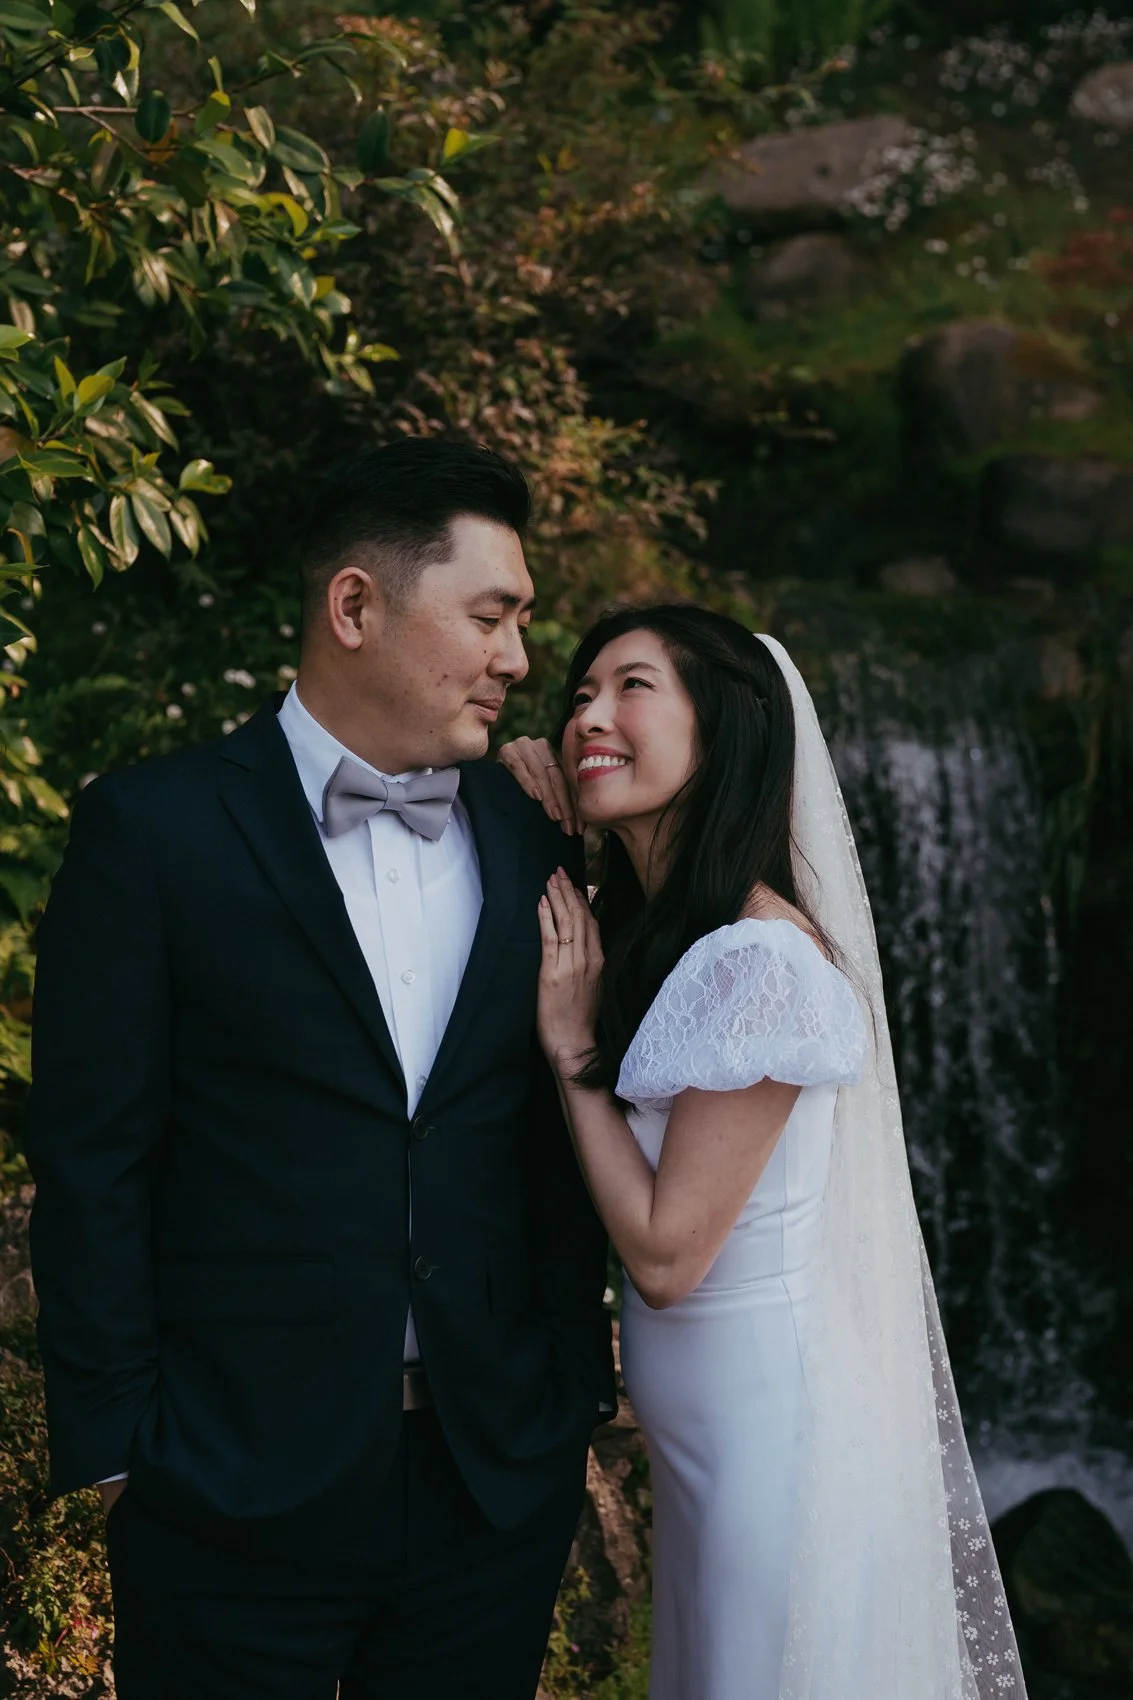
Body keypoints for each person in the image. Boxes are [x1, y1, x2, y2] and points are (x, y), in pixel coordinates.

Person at [25, 438, 615, 1700]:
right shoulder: (154, 830)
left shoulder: (537, 832)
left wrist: (566, 1398)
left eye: (521, 622)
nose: (519, 659)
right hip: (223, 1489)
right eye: (490, 617)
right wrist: (124, 1453)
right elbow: (92, 1156)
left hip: (487, 1486)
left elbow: (545, 1146)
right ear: (355, 605)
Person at [499, 604, 1027, 1700]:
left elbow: (664, 1256)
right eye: (580, 693)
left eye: (632, 687)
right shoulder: (675, 940)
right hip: (713, 1451)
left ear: (726, 728)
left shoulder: (759, 962)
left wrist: (571, 1050)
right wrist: (515, 789)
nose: (588, 713)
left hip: (770, 1452)